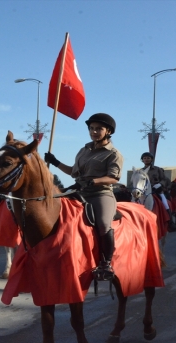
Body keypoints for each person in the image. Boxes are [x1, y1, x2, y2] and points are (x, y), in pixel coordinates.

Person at [44, 113, 123, 280]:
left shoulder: (113, 153)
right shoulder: (84, 150)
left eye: (99, 129)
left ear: (108, 131)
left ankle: (106, 264)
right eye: (92, 128)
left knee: (103, 224)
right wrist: (55, 161)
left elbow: (114, 178)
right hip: (79, 190)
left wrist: (92, 182)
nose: (94, 132)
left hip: (100, 193)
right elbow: (74, 172)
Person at [140, 152, 176, 231]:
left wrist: (160, 184)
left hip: (156, 190)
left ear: (151, 159)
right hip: (144, 191)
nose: (146, 159)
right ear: (142, 160)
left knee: (165, 203)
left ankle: (170, 222)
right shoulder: (140, 171)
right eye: (145, 158)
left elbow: (164, 179)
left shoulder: (157, 169)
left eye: (148, 158)